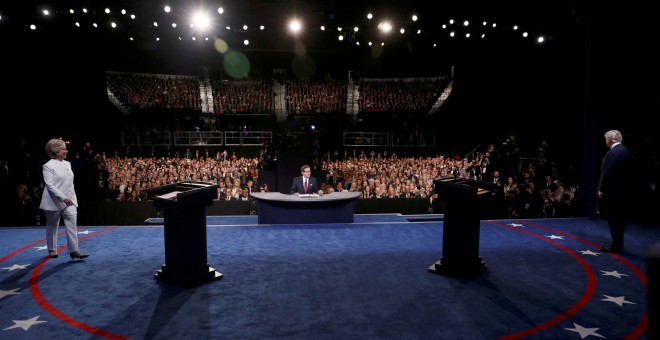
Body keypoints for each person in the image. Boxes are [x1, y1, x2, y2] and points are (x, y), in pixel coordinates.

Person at [39, 139, 89, 260]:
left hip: (70, 200)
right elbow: (50, 186)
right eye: (63, 149)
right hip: (53, 201)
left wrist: (69, 198)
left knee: (72, 225)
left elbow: (69, 184)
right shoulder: (48, 166)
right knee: (52, 225)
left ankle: (74, 250)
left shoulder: (68, 164)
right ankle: (52, 249)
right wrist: (63, 198)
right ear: (55, 151)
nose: (66, 150)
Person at [597, 130, 633, 254]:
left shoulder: (614, 152)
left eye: (605, 139)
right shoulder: (625, 151)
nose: (605, 141)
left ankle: (616, 247)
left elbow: (608, 173)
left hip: (613, 194)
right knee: (619, 221)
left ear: (610, 140)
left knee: (614, 221)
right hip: (623, 193)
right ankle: (618, 245)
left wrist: (602, 189)